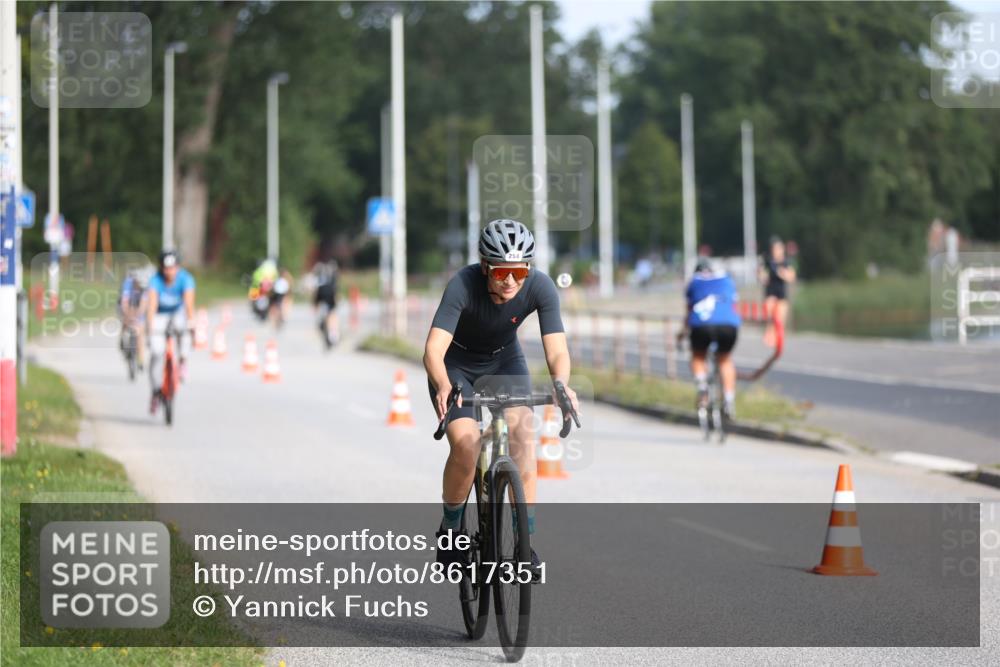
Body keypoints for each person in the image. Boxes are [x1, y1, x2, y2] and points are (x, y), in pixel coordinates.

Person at [424, 219, 580, 568]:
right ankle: (450, 533)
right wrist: (444, 384)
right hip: (456, 366)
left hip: (503, 362)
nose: (511, 281)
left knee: (523, 434)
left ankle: (525, 545)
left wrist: (562, 383)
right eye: (501, 272)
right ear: (484, 268)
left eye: (519, 273)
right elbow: (433, 350)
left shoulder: (540, 286)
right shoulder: (462, 285)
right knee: (466, 445)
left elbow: (557, 351)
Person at [680, 257, 741, 418]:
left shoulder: (694, 282)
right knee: (725, 360)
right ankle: (729, 400)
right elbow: (733, 306)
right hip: (728, 325)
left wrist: (681, 334)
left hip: (702, 325)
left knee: (698, 356)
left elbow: (689, 313)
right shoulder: (726, 279)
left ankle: (701, 385)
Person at [146, 250, 196, 414]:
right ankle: (156, 391)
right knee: (156, 352)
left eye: (173, 268)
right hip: (160, 315)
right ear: (161, 268)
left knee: (185, 330)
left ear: (178, 267)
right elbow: (151, 306)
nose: (169, 272)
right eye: (166, 268)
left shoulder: (186, 279)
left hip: (177, 313)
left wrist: (192, 325)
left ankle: (182, 361)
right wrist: (149, 328)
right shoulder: (155, 280)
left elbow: (189, 305)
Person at [759, 235, 796, 347]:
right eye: (775, 249)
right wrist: (763, 276)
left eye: (779, 249)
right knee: (771, 314)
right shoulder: (767, 261)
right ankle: (769, 335)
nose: (777, 251)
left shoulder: (786, 262)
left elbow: (792, 277)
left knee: (780, 319)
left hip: (782, 294)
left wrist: (782, 273)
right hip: (770, 292)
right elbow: (761, 274)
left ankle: (778, 339)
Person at [118, 268, 149, 369]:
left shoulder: (145, 288)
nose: (140, 288)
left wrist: (138, 316)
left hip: (138, 304)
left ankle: (140, 359)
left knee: (140, 331)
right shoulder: (128, 284)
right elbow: (124, 302)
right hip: (127, 303)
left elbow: (143, 306)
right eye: (139, 285)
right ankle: (122, 338)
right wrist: (128, 315)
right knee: (126, 320)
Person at [312, 259, 340, 348]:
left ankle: (331, 333)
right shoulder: (333, 274)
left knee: (329, 315)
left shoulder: (319, 273)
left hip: (323, 293)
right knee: (332, 314)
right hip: (329, 294)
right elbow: (336, 289)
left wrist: (315, 303)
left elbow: (316, 291)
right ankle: (333, 334)